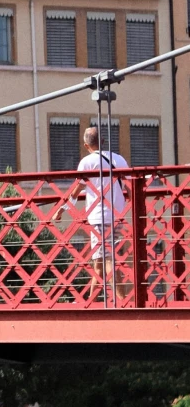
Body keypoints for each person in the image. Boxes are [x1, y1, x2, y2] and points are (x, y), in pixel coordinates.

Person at [77, 122, 129, 298]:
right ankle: (91, 302)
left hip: (99, 218)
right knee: (100, 263)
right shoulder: (119, 159)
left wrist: (60, 210)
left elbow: (75, 190)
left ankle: (121, 302)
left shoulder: (86, 162)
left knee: (107, 261)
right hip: (116, 217)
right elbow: (131, 188)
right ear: (103, 141)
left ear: (86, 145)